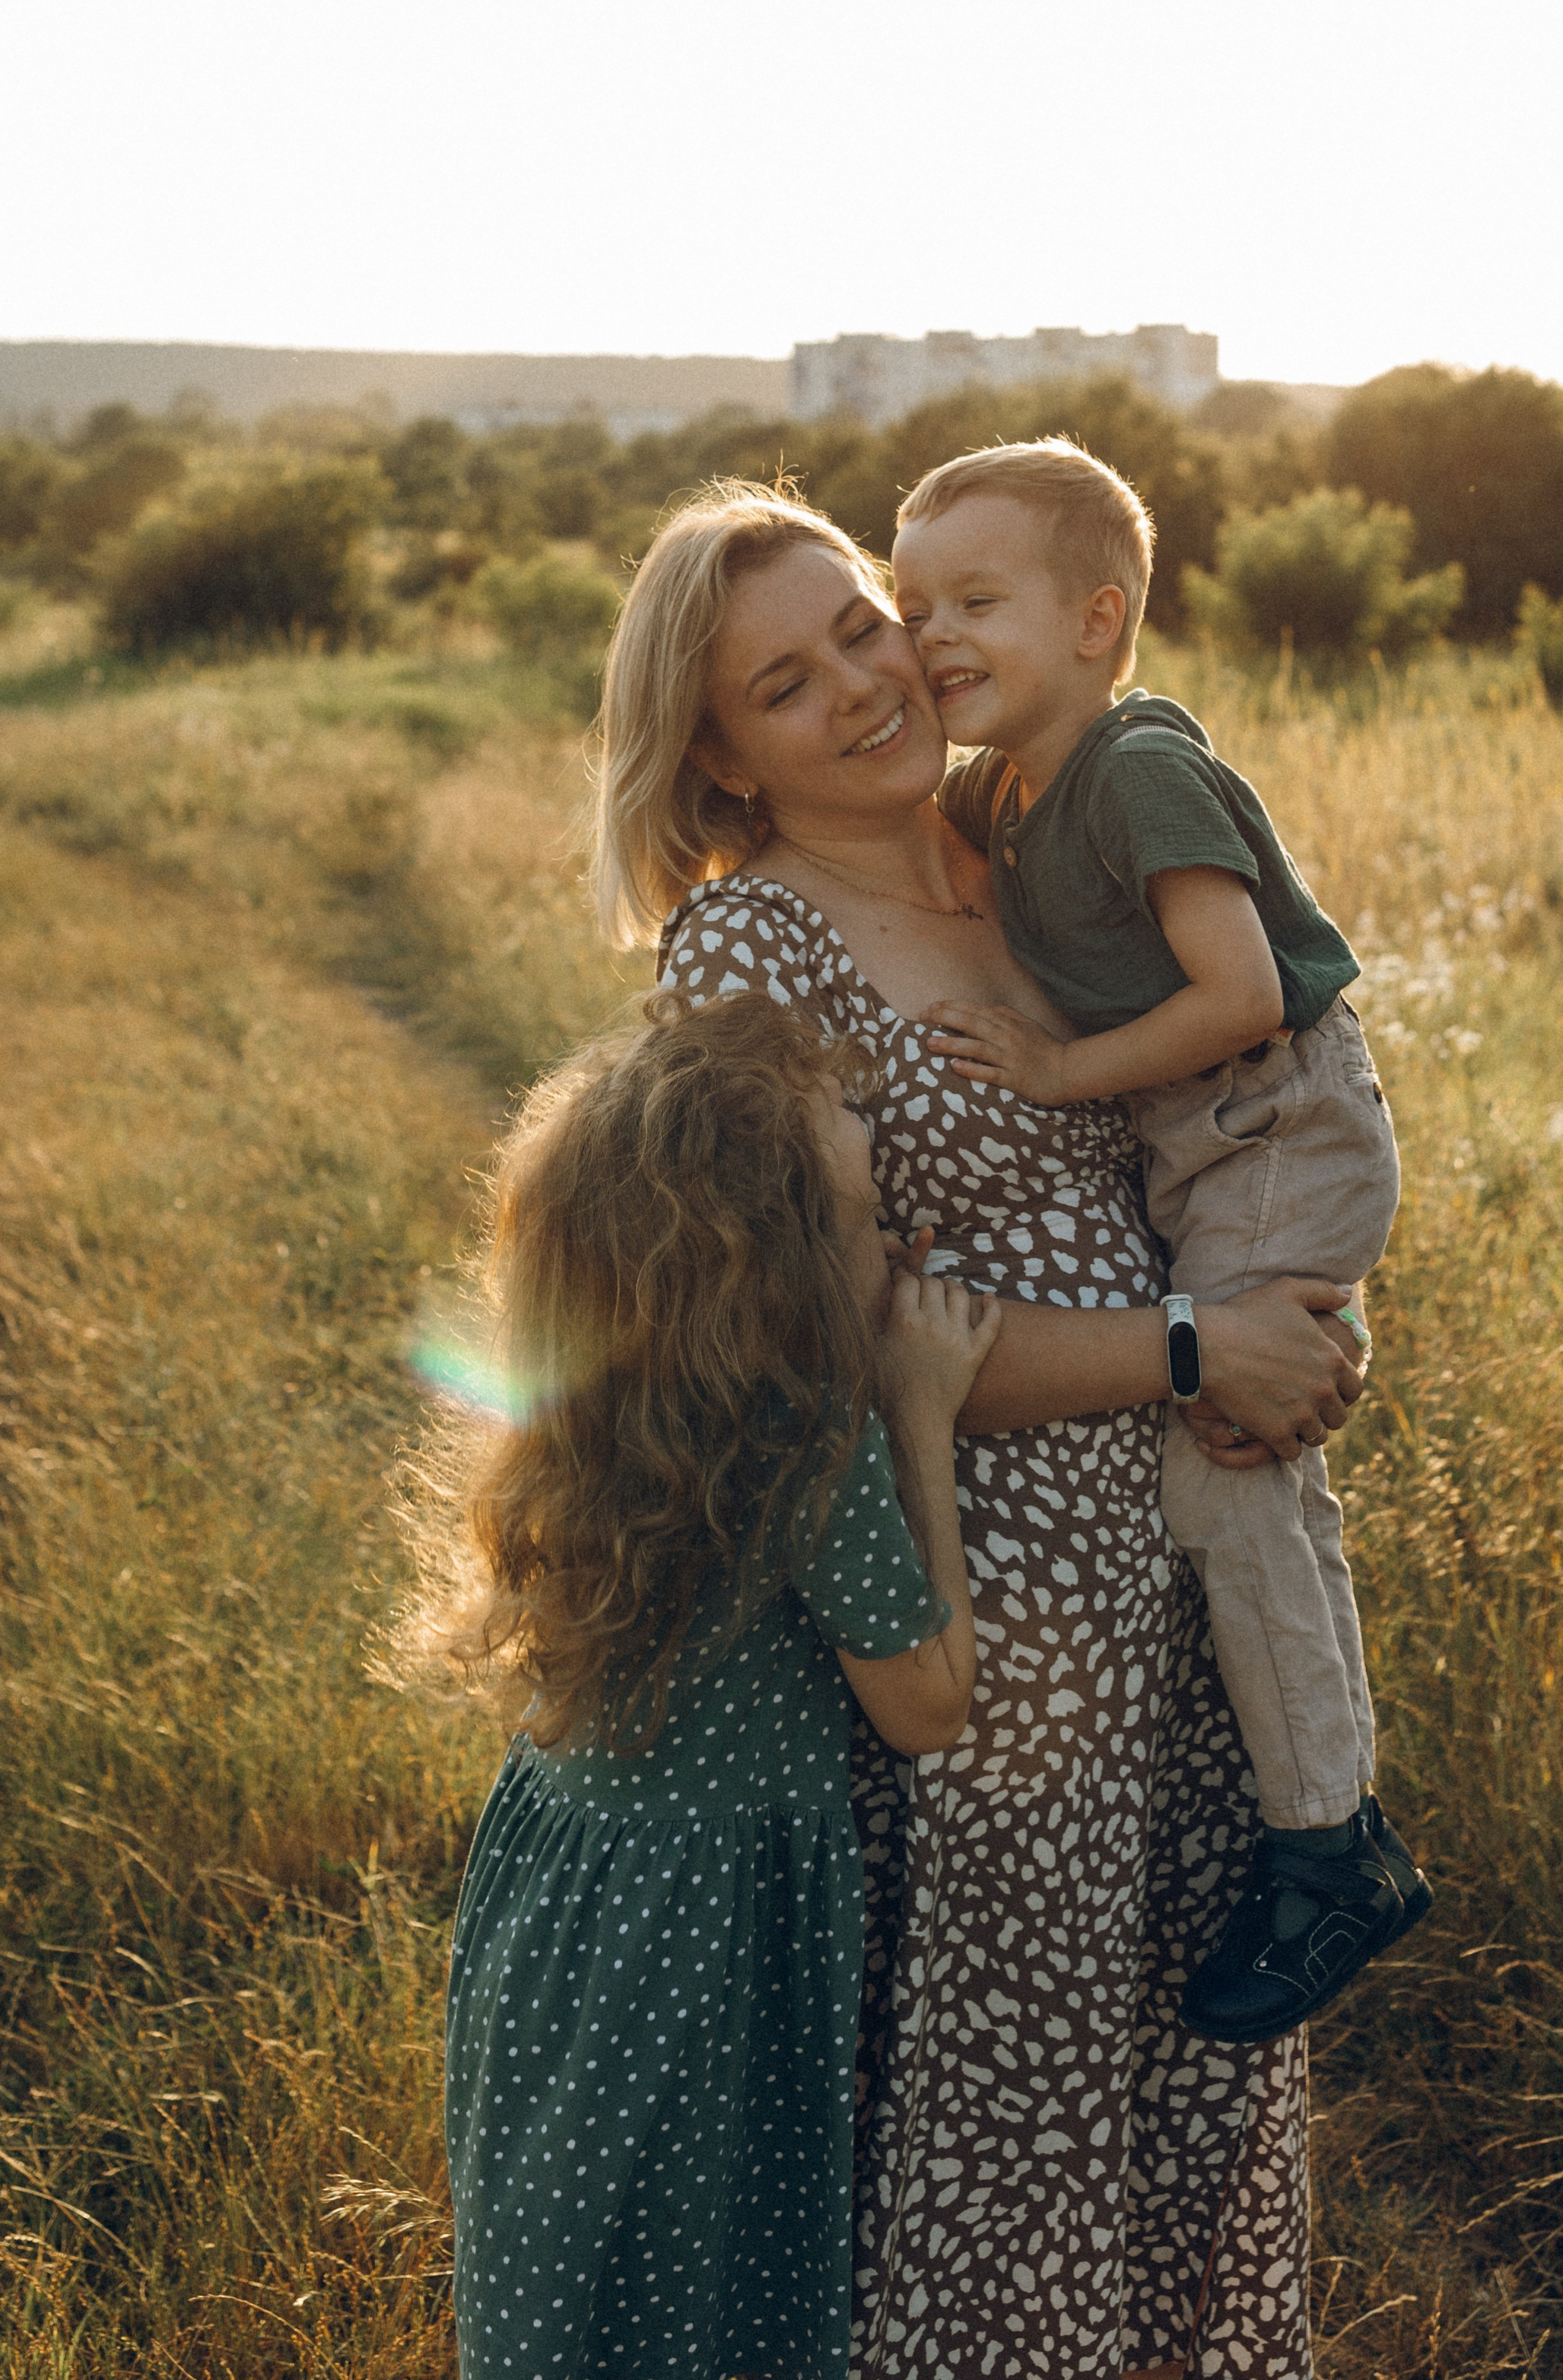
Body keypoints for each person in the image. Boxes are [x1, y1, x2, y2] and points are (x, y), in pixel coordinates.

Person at [592, 477, 1368, 2380]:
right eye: (785, 683)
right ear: (716, 754)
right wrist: (1200, 1347)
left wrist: (1285, 1309)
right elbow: (863, 1350)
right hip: (991, 1659)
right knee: (1003, 2148)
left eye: (861, 622)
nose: (867, 682)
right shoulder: (750, 959)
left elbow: (1229, 1121)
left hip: (1177, 1604)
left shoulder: (1040, 835)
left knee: (1182, 2107)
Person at [891, 437, 1431, 2044]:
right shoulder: (1002, 789)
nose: (928, 637)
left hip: (1271, 1115)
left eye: (973, 599)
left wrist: (1054, 1071)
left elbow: (1239, 993)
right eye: (909, 602)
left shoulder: (1133, 765)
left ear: (1097, 619)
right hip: (1199, 1152)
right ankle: (1304, 1816)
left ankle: (1332, 1843)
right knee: (1216, 1447)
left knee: (1228, 1454)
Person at [413, 990, 996, 2380]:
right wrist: (919, 1408)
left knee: (566, 2266)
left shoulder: (596, 1413)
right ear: (782, 1272)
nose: (892, 1239)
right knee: (707, 2286)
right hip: (704, 1931)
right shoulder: (806, 1438)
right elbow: (928, 1702)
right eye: (862, 1226)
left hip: (559, 1903)